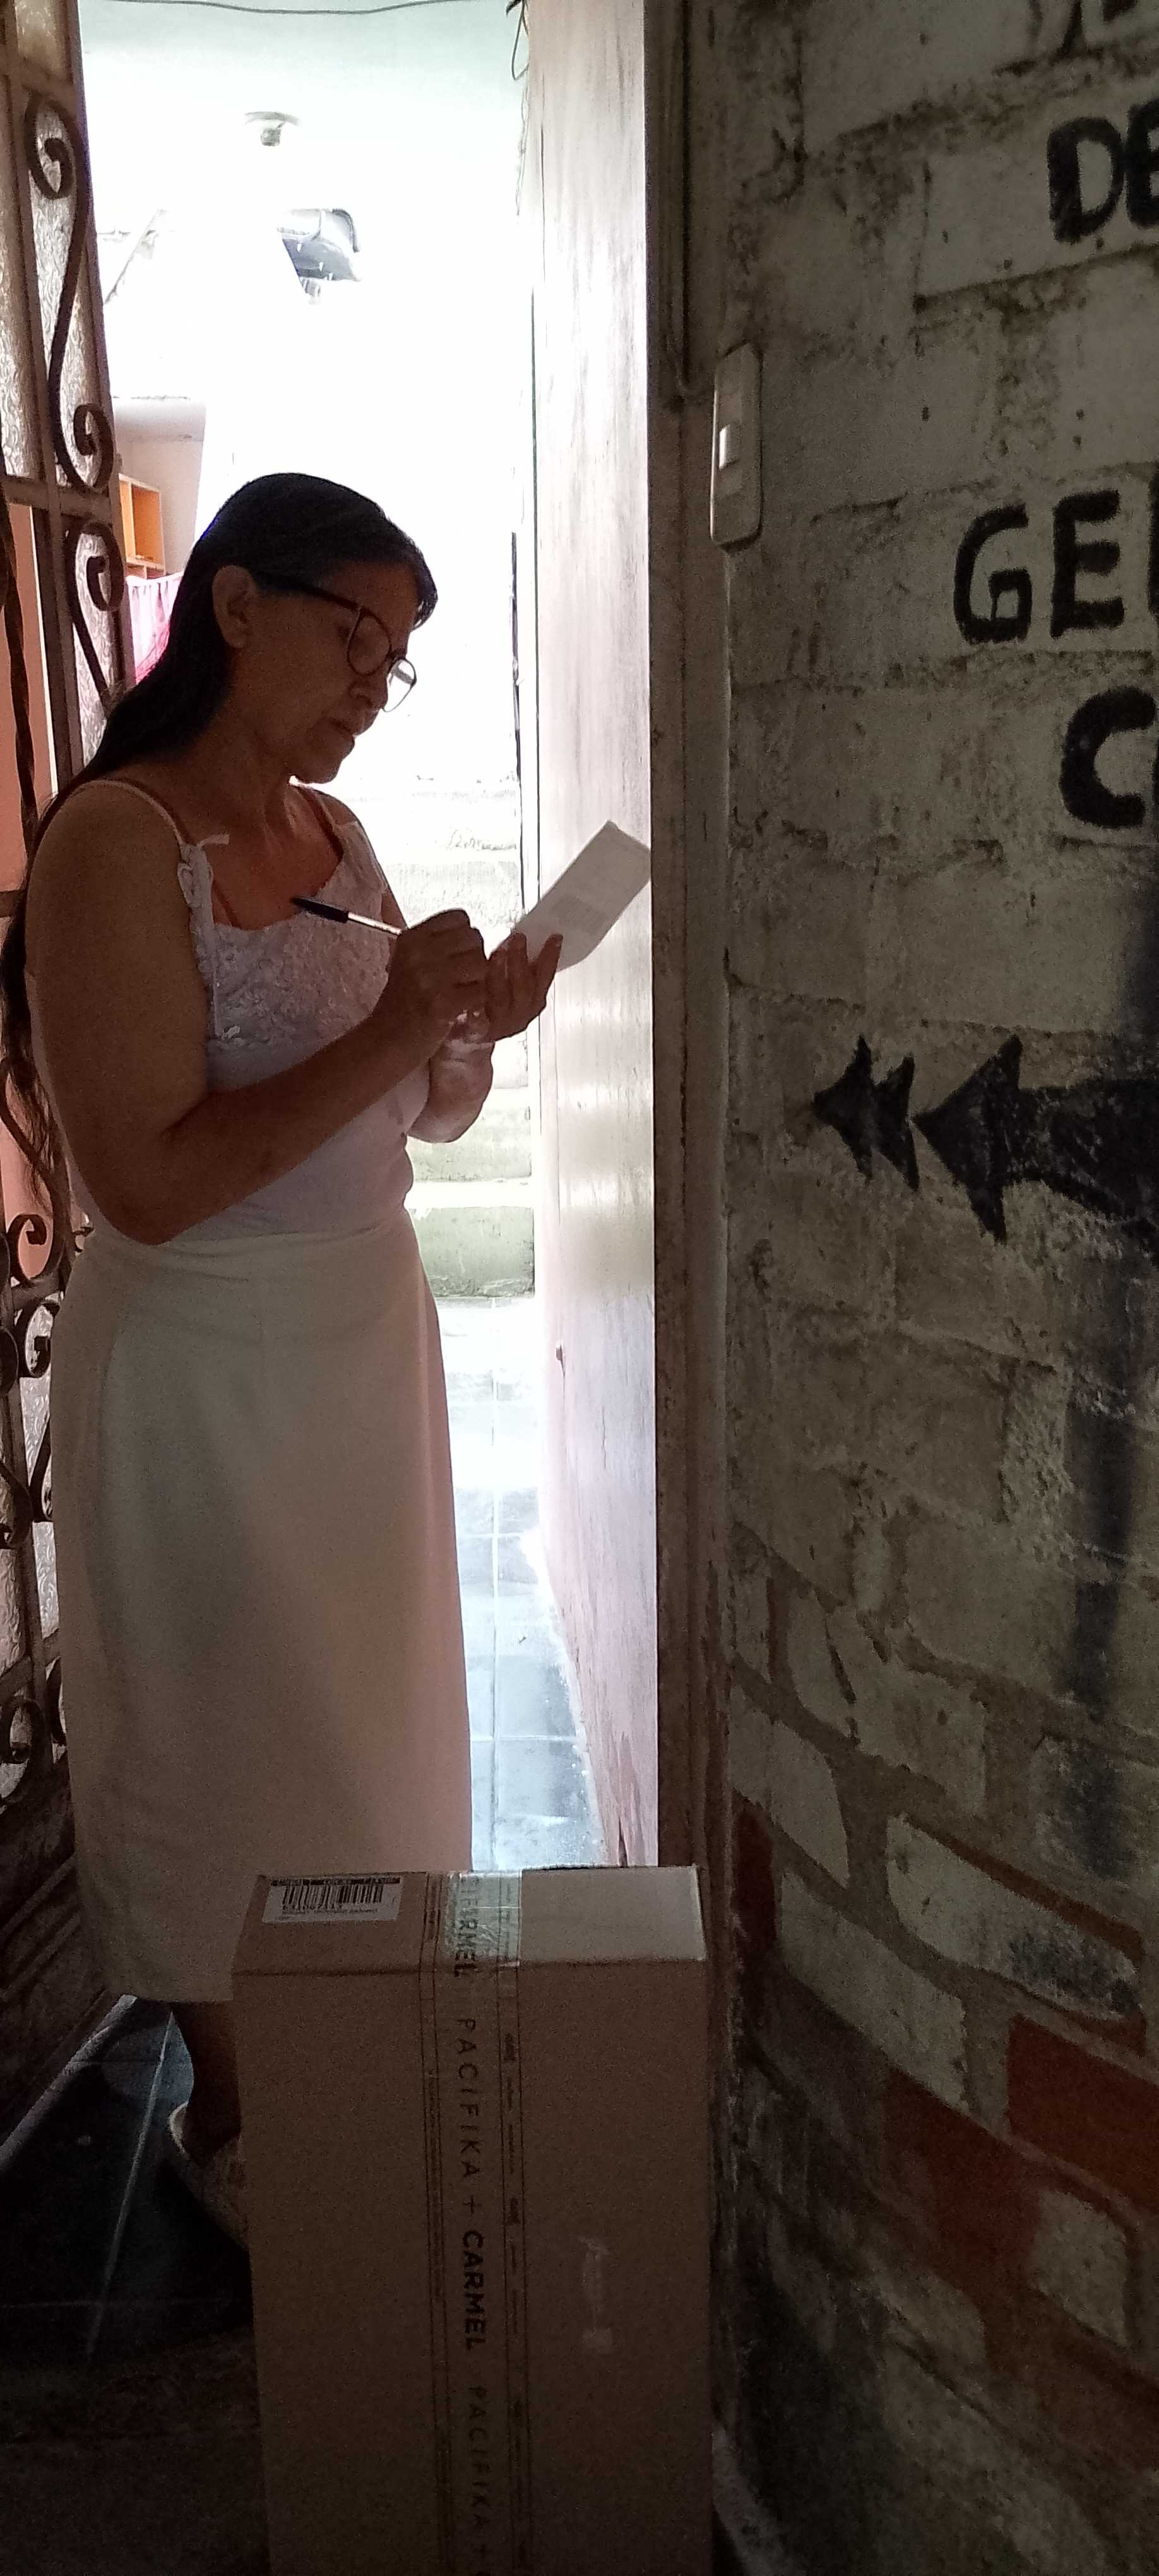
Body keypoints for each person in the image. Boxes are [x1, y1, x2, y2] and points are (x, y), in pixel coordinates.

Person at [0, 472, 560, 2249]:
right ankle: (237, 2118)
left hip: (358, 1340)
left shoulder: (334, 833)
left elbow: (419, 1114)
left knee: (355, 1724)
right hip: (203, 1363)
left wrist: (464, 1031)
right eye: (352, 637)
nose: (370, 689)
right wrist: (397, 1024)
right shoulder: (116, 843)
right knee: (221, 1739)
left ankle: (355, 2048)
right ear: (235, 608)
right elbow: (148, 1184)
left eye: (396, 660)